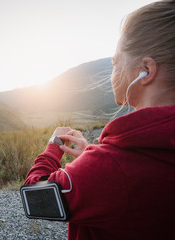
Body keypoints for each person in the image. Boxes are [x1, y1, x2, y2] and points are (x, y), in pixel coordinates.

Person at [24, 1, 175, 239]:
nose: (112, 71)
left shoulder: (114, 166)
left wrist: (53, 148)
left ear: (146, 69)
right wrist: (92, 158)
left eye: (115, 62)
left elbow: (34, 197)